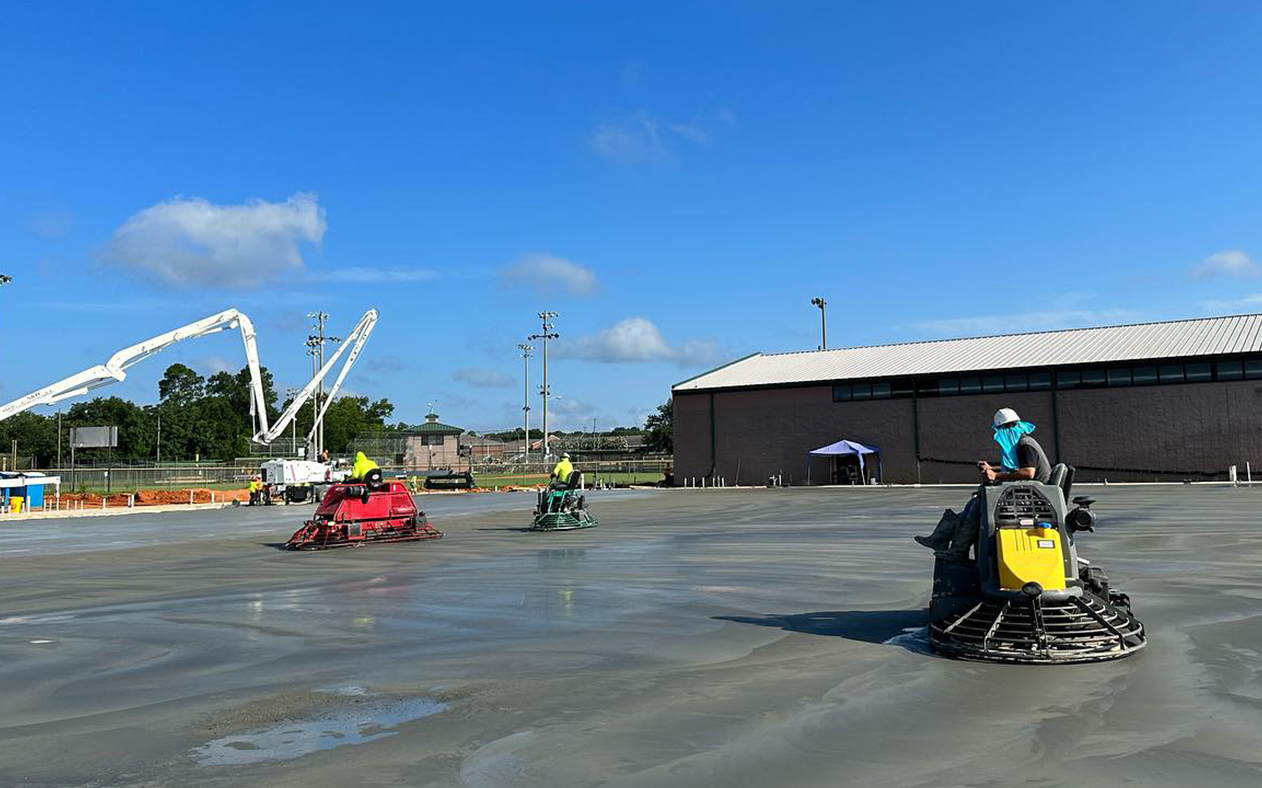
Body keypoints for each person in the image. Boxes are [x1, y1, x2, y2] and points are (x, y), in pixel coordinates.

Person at [914, 408, 1052, 561]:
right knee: (977, 502)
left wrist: (996, 475)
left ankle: (955, 549)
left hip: (1031, 500)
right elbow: (1018, 469)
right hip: (1029, 495)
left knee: (977, 506)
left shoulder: (1025, 445)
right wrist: (993, 469)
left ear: (1007, 428)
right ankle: (942, 539)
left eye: (1000, 430)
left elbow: (1028, 472)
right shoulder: (1022, 443)